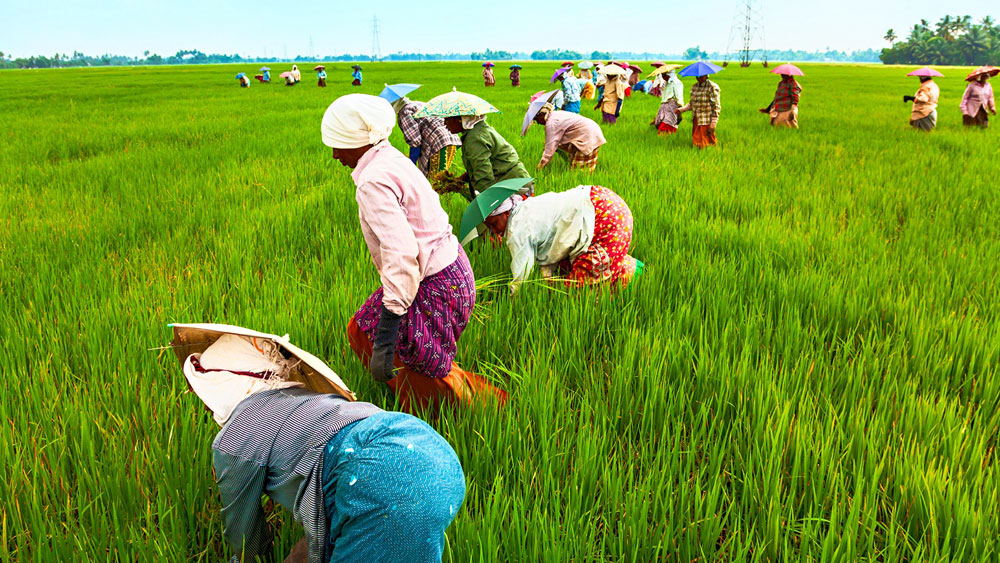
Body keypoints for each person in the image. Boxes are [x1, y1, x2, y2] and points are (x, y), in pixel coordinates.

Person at [182, 332, 466, 563]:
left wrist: (246, 556)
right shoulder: (305, 397)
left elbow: (244, 536)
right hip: (432, 451)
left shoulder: (233, 439)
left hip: (380, 477)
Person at [321, 94, 507, 413]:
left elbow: (401, 252)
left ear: (359, 142)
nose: (335, 155)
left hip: (435, 282)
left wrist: (390, 325)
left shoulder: (373, 180)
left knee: (418, 366)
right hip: (450, 271)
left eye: (339, 145)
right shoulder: (390, 157)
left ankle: (471, 412)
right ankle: (433, 401)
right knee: (361, 328)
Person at [475, 185, 641, 294]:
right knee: (566, 268)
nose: (493, 231)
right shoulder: (526, 206)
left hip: (604, 220)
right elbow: (549, 245)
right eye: (489, 227)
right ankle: (630, 269)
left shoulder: (517, 230)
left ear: (505, 214)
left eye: (494, 224)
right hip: (601, 200)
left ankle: (634, 275)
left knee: (581, 291)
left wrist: (514, 299)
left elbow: (521, 274)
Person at [443, 109, 531, 201]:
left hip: (514, 189)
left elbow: (483, 175)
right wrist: (459, 181)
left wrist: (488, 203)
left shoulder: (475, 138)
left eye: (447, 119)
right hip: (516, 183)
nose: (445, 124)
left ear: (459, 119)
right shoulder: (477, 130)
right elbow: (477, 167)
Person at [391, 95, 464, 195]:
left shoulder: (404, 112)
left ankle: (446, 200)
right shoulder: (417, 104)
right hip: (451, 140)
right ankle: (449, 199)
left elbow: (415, 141)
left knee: (433, 184)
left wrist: (410, 167)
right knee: (439, 179)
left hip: (438, 143)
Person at [531, 104, 606, 172]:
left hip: (588, 136)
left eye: (536, 119)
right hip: (590, 132)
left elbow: (549, 149)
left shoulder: (551, 124)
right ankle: (570, 164)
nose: (538, 123)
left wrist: (540, 167)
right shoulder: (555, 114)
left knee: (579, 172)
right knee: (559, 148)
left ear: (541, 114)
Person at [675, 74, 721, 148]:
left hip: (706, 119)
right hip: (696, 118)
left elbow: (716, 105)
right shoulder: (694, 87)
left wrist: (714, 122)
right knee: (697, 142)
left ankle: (709, 155)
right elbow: (691, 104)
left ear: (706, 76)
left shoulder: (712, 87)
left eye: (701, 76)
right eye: (697, 76)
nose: (698, 78)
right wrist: (681, 110)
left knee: (705, 142)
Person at [652, 69, 683, 135]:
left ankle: (666, 139)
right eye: (662, 75)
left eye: (664, 75)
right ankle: (667, 138)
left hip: (672, 107)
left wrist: (680, 109)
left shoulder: (676, 83)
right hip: (665, 107)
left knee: (668, 123)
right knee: (660, 122)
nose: (663, 77)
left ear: (669, 75)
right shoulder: (666, 83)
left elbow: (679, 97)